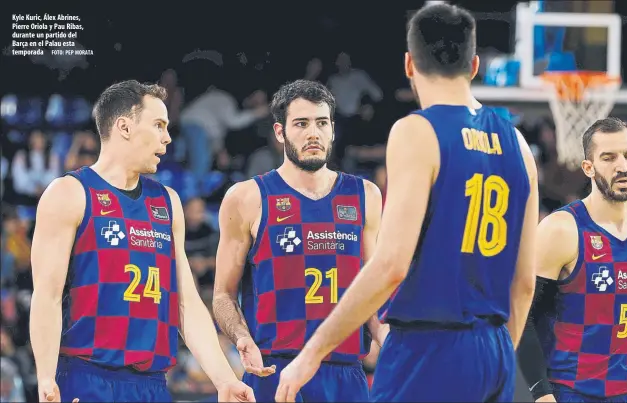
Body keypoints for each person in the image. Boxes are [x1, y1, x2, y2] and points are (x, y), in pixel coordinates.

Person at [274, 3, 539, 402]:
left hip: (427, 348)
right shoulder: (518, 144)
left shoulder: (416, 131)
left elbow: (391, 265)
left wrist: (312, 352)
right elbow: (524, 283)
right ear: (474, 65)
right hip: (496, 347)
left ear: (409, 64)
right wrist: (496, 356)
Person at [29, 80, 255, 403]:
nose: (167, 137)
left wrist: (224, 380)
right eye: (159, 125)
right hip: (86, 379)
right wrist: (47, 380)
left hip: (152, 386)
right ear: (124, 126)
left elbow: (186, 305)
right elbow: (46, 298)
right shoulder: (69, 194)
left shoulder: (168, 203)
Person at [212, 79, 384, 402]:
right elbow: (222, 294)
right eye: (301, 124)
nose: (313, 133)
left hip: (344, 374)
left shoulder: (366, 196)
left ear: (333, 130)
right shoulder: (247, 197)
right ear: (280, 132)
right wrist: (240, 337)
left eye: (321, 123)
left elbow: (372, 292)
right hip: (273, 372)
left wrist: (389, 340)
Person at [517, 117, 627, 403]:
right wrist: (542, 395)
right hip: (573, 392)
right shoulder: (561, 229)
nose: (621, 166)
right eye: (608, 158)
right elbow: (523, 315)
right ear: (588, 167)